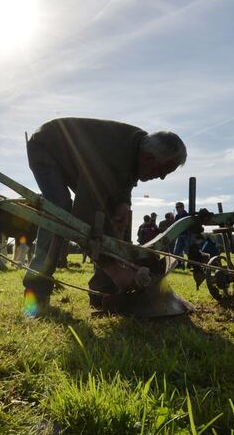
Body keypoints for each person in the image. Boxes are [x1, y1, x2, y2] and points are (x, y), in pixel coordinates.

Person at [21, 118, 186, 316]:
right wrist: (114, 269)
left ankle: (103, 292)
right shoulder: (109, 159)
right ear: (148, 158)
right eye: (163, 170)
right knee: (59, 210)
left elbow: (127, 176)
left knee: (112, 219)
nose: (161, 177)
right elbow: (82, 220)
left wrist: (124, 204)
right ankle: (36, 288)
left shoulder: (139, 145)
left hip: (79, 160)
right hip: (46, 145)